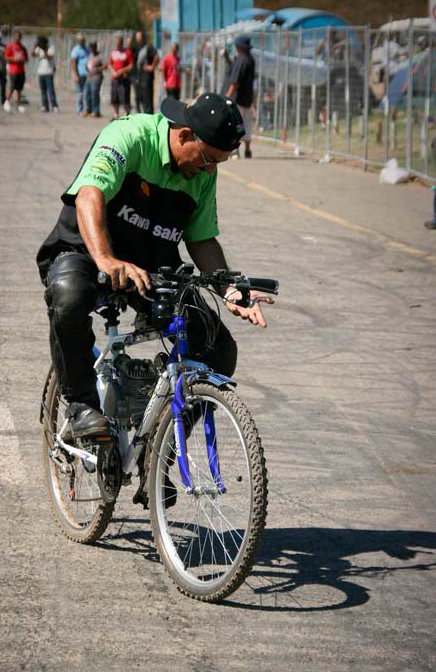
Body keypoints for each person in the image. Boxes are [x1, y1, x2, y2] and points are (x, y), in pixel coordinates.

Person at [36, 92, 270, 439]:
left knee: (218, 348)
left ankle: (160, 447)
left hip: (150, 263)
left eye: (218, 163)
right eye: (208, 158)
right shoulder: (130, 136)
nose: (209, 169)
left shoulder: (203, 170)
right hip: (88, 249)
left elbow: (202, 238)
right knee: (69, 296)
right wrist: (105, 259)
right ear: (185, 134)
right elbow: (90, 194)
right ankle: (82, 405)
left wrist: (230, 290)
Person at [225, 35, 255, 159]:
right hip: (248, 99)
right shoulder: (250, 59)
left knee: (238, 125)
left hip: (239, 99)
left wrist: (227, 96)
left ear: (240, 47)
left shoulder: (242, 59)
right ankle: (248, 150)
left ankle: (235, 151)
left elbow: (235, 81)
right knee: (246, 124)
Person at [109, 35, 133, 119]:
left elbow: (131, 65)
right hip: (115, 79)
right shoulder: (113, 52)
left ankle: (126, 114)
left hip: (123, 79)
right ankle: (116, 114)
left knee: (125, 97)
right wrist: (113, 71)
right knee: (115, 97)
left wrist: (122, 71)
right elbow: (110, 64)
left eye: (118, 43)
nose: (117, 45)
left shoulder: (127, 52)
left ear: (121, 43)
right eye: (116, 43)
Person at [32, 35, 58, 113]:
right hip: (41, 72)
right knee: (43, 91)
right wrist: (35, 46)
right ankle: (45, 106)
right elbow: (32, 54)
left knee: (51, 90)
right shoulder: (39, 49)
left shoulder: (50, 48)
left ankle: (54, 106)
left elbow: (49, 56)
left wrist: (44, 49)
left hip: (49, 72)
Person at [4, 29, 28, 113]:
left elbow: (26, 58)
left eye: (19, 37)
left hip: (21, 70)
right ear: (14, 37)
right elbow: (6, 57)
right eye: (16, 37)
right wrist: (14, 59)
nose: (18, 38)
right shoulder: (10, 46)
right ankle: (7, 101)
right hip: (13, 70)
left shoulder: (23, 47)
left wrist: (22, 59)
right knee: (12, 87)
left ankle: (18, 104)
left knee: (19, 89)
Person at [135, 31, 159, 114]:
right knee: (140, 99)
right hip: (139, 78)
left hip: (147, 78)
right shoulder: (139, 48)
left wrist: (152, 66)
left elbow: (156, 57)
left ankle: (149, 117)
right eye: (136, 37)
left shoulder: (149, 47)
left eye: (139, 36)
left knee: (147, 99)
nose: (137, 38)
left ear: (143, 37)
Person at [70, 34, 89, 115]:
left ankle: (87, 109)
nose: (83, 42)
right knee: (80, 93)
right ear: (78, 41)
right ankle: (80, 110)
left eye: (84, 41)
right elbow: (74, 63)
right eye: (81, 41)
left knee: (87, 92)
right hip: (80, 74)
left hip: (88, 74)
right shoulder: (76, 50)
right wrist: (76, 75)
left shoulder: (87, 49)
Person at [84, 41, 105, 118]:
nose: (92, 49)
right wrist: (86, 68)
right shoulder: (90, 55)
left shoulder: (100, 56)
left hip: (96, 78)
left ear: (95, 47)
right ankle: (88, 110)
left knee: (94, 94)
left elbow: (106, 65)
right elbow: (87, 64)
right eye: (90, 47)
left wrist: (98, 69)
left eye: (93, 47)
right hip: (89, 77)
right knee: (87, 94)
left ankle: (96, 111)